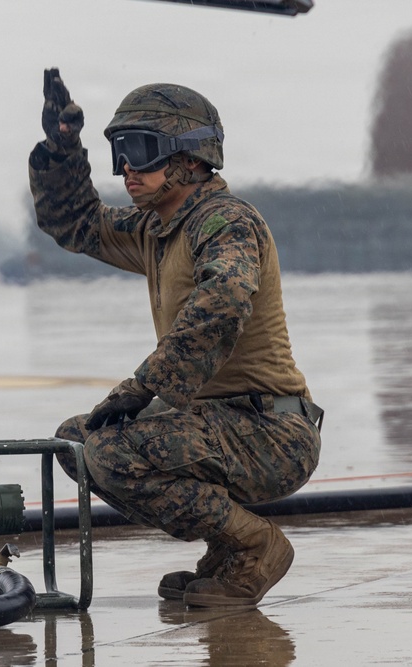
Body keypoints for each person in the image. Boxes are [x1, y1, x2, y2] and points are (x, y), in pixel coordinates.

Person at [28, 69, 323, 608]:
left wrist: (144, 387)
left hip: (270, 430)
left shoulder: (225, 222)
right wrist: (62, 151)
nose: (126, 169)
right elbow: (78, 223)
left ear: (187, 158)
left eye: (139, 151)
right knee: (77, 442)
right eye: (119, 152)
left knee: (114, 453)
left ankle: (254, 545)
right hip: (221, 425)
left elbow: (221, 306)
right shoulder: (157, 229)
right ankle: (228, 547)